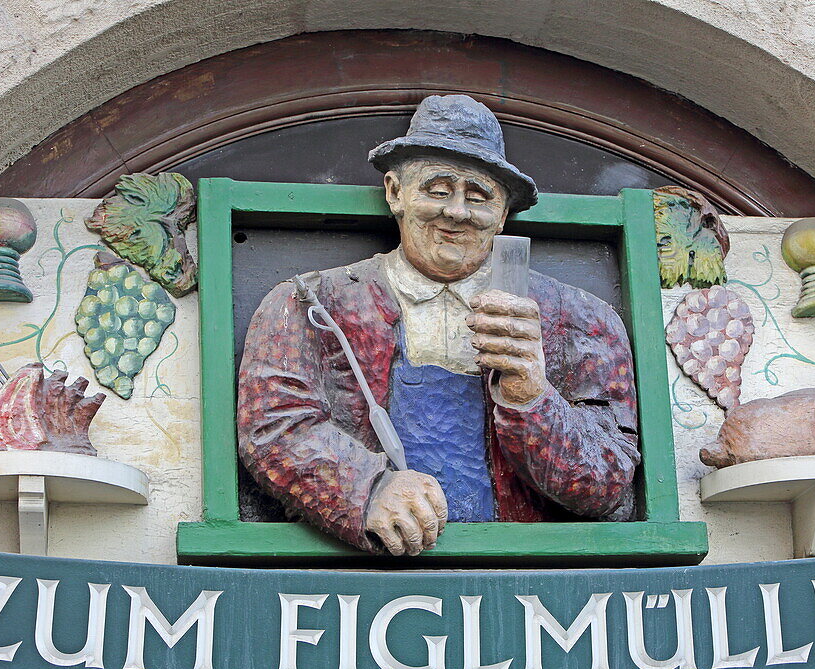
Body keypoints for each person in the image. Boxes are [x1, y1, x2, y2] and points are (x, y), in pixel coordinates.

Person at [237, 95, 641, 556]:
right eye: (437, 188)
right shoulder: (311, 304)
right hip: (360, 576)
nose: (456, 211)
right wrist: (363, 489)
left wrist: (532, 399)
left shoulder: (581, 321)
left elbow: (608, 484)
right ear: (395, 193)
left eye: (479, 195)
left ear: (503, 214)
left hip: (522, 579)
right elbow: (273, 428)